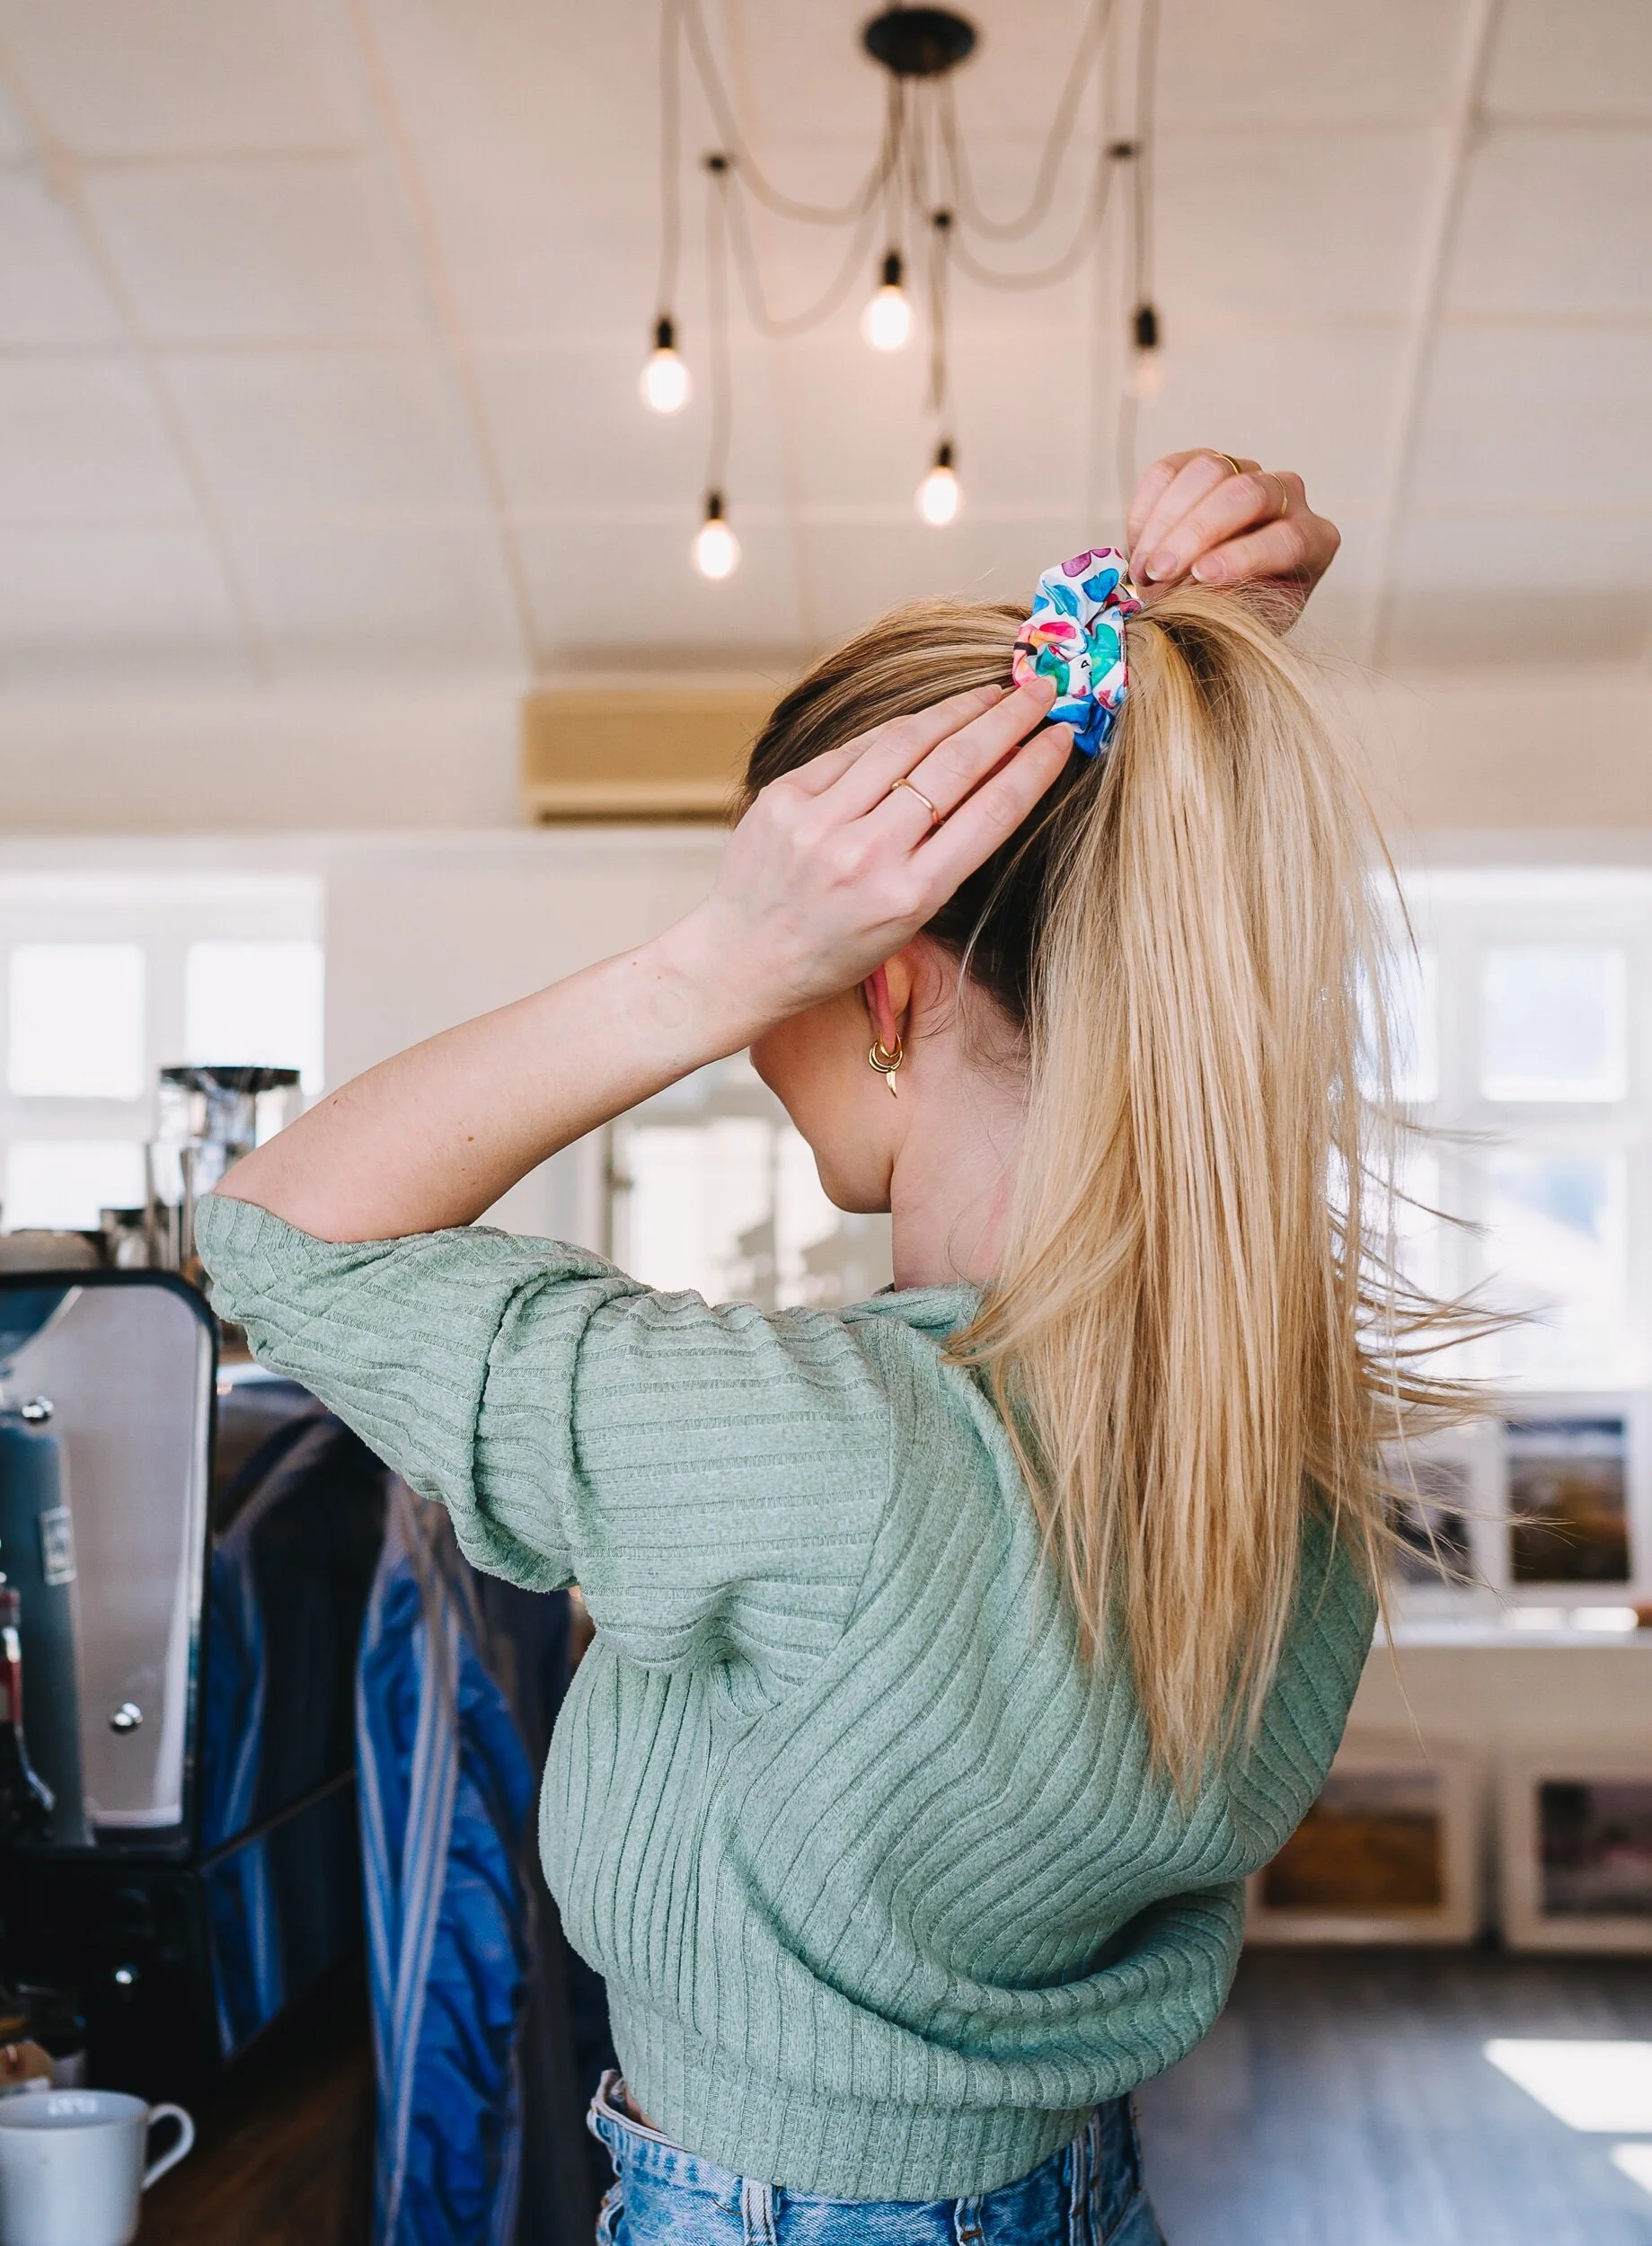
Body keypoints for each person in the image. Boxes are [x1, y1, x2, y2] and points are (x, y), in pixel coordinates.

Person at [197, 452, 1441, 2245]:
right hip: (1070, 2192)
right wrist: (1183, 705)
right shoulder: (1274, 1430)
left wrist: (705, 960)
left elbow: (273, 1233)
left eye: (787, 961)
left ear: (874, 979)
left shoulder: (816, 1448)